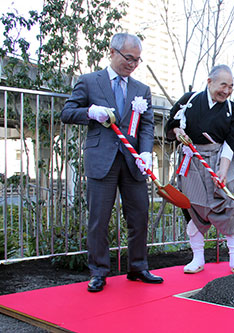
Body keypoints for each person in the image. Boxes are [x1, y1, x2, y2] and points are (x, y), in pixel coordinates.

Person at [61, 33, 163, 292]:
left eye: (137, 60)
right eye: (129, 58)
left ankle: (138, 266)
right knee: (99, 218)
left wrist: (146, 153)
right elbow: (67, 112)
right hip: (101, 160)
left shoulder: (142, 90)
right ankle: (98, 271)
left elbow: (147, 126)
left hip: (133, 162)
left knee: (139, 215)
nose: (132, 64)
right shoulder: (88, 82)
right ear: (112, 52)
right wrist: (90, 113)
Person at [165, 65, 234, 274]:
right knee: (193, 205)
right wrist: (178, 131)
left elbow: (233, 140)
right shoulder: (189, 100)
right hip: (192, 159)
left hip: (222, 158)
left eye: (230, 87)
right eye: (223, 85)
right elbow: (171, 123)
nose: (227, 91)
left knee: (230, 204)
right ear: (209, 81)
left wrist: (222, 168)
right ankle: (198, 257)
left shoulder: (233, 110)